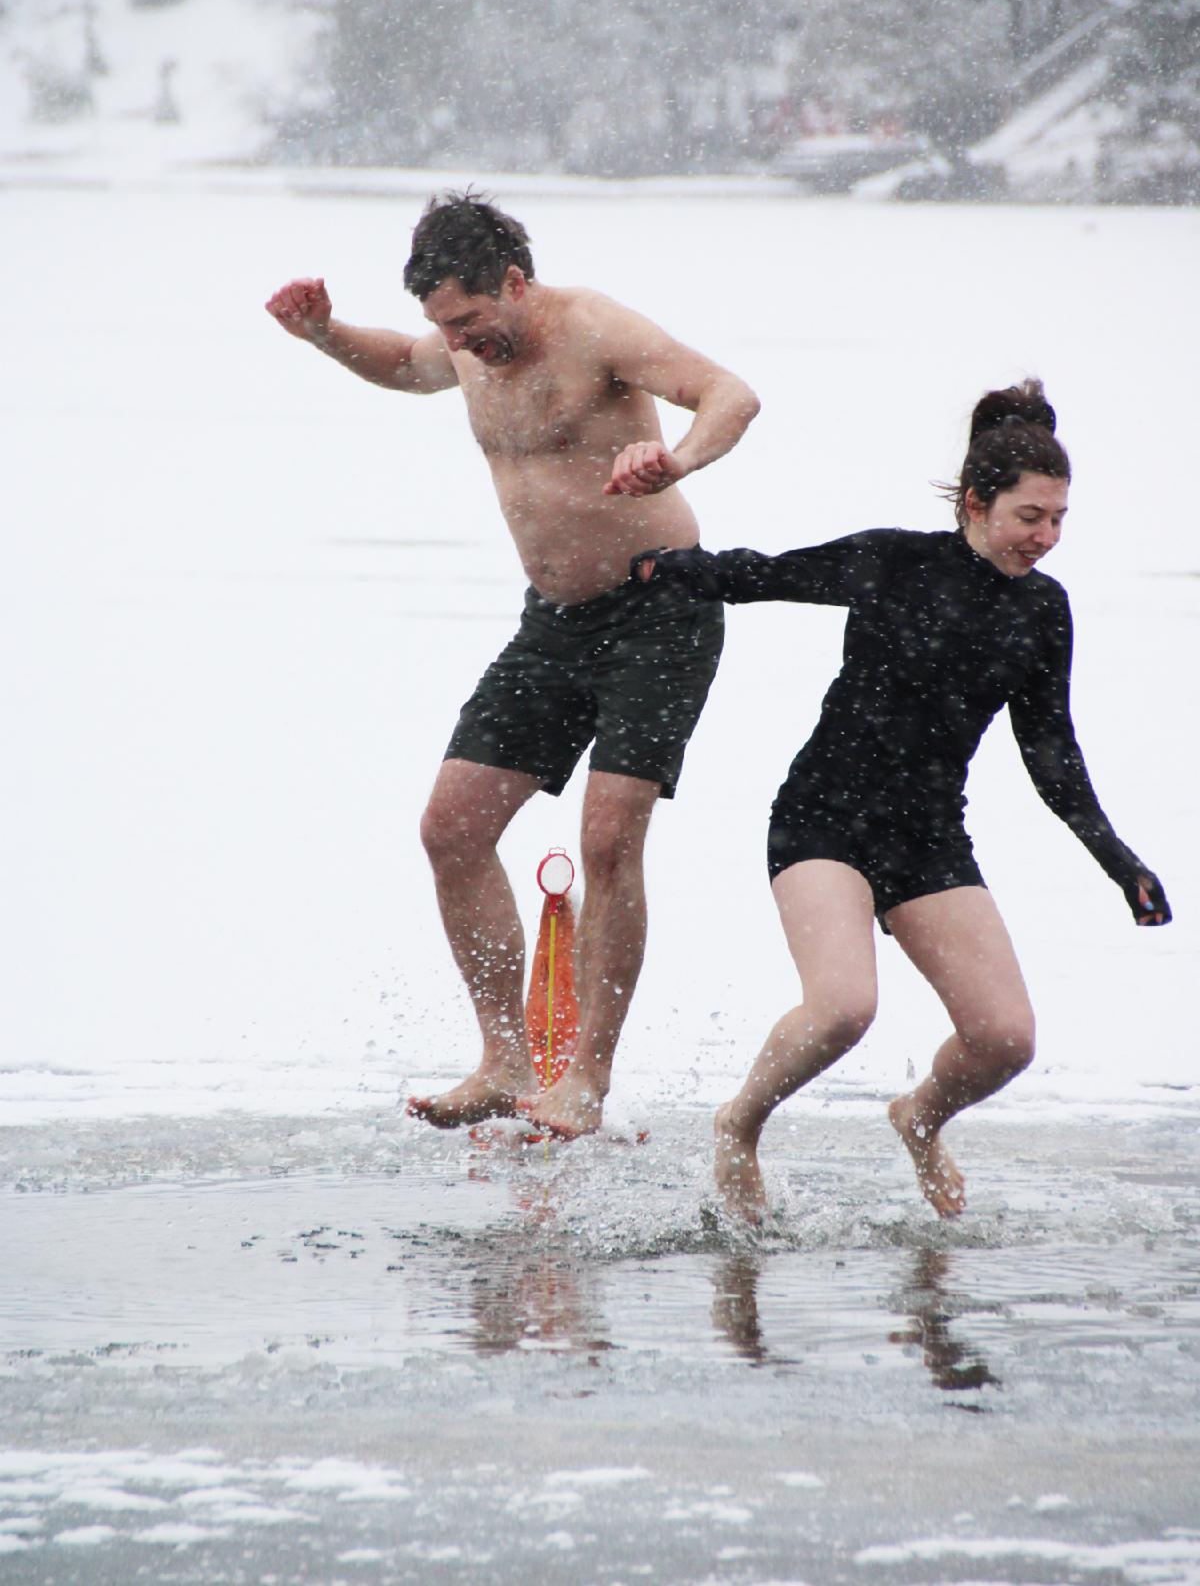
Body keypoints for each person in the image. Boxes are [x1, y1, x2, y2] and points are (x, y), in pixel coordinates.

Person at [265, 191, 760, 1138]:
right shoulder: (455, 344)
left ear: (515, 282)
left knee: (609, 839)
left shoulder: (595, 328)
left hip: (664, 611)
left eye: (470, 319)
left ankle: (585, 1078)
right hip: (554, 626)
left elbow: (732, 394)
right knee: (451, 829)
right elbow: (407, 368)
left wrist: (680, 459)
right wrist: (323, 333)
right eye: (444, 324)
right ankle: (505, 1060)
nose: (459, 341)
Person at [634, 381, 1170, 1221]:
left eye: (1060, 518)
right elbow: (767, 575)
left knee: (1005, 1040)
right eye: (1032, 516)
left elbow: (1053, 755)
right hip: (823, 820)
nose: (1048, 537)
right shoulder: (894, 561)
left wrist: (1120, 863)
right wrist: (669, 569)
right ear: (976, 502)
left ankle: (919, 1117)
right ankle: (739, 1123)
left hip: (927, 839)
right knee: (845, 1007)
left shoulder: (1043, 611)